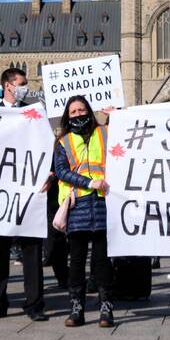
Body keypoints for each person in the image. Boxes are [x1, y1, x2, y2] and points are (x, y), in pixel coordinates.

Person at [0, 68, 49, 322]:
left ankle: (34, 304)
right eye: (22, 83)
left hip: (28, 189)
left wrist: (48, 174)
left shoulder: (34, 112)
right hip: (0, 190)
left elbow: (45, 145)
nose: (26, 87)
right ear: (8, 86)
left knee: (31, 250)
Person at [52, 96, 115, 327]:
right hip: (77, 204)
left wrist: (117, 115)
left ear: (88, 110)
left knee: (102, 261)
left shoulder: (105, 132)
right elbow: (61, 171)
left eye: (81, 109)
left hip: (103, 203)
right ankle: (76, 307)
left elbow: (129, 139)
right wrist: (89, 183)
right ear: (68, 116)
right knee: (76, 261)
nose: (78, 114)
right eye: (73, 111)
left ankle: (106, 307)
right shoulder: (63, 141)